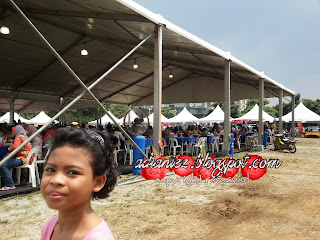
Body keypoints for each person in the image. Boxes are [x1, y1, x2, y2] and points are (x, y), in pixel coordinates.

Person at [40, 128, 118, 240]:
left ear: (98, 182)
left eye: (72, 172)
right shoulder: (50, 227)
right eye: (51, 170)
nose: (56, 180)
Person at [0, 125, 32, 190]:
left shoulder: (18, 138)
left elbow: (15, 147)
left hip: (23, 158)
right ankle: (15, 181)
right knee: (7, 164)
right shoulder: (23, 137)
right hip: (27, 158)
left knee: (3, 165)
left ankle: (10, 184)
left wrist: (8, 148)